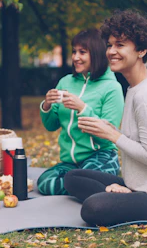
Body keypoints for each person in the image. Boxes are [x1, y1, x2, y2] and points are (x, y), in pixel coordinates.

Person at [64, 9, 147, 226]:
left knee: (93, 208)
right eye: (109, 45)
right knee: (73, 177)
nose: (111, 51)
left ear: (141, 50)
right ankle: (124, 193)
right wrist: (111, 129)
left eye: (120, 45)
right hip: (135, 185)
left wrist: (112, 135)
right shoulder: (134, 88)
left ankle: (122, 196)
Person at [37, 29, 124, 196]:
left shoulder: (112, 88)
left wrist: (83, 108)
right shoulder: (65, 82)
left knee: (80, 179)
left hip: (101, 156)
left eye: (82, 52)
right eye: (74, 52)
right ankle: (88, 187)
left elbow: (109, 134)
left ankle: (88, 185)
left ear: (97, 54)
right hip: (71, 163)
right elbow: (51, 125)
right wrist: (47, 105)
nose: (76, 57)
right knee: (44, 183)